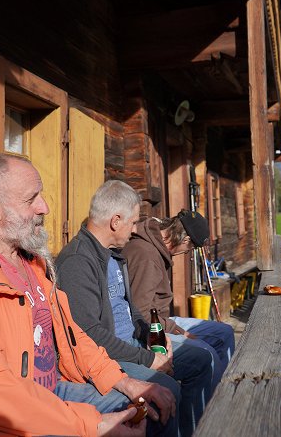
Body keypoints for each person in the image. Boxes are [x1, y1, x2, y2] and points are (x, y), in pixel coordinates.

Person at [0, 154, 178, 437]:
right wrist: (93, 425)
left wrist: (125, 382)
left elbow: (74, 336)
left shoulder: (31, 261)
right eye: (31, 199)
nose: (45, 207)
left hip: (47, 391)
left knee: (151, 405)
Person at [55, 180, 215, 437]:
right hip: (108, 358)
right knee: (165, 390)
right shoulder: (78, 261)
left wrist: (157, 338)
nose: (134, 230)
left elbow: (134, 312)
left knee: (201, 359)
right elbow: (89, 333)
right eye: (132, 223)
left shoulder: (114, 255)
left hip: (134, 346)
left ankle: (193, 430)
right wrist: (149, 359)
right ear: (115, 221)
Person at [121, 210, 235, 389]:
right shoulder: (147, 256)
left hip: (163, 321)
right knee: (208, 354)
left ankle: (223, 391)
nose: (186, 253)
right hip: (149, 330)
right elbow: (141, 314)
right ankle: (204, 411)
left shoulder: (155, 245)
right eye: (189, 250)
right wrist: (180, 332)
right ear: (185, 240)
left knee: (224, 333)